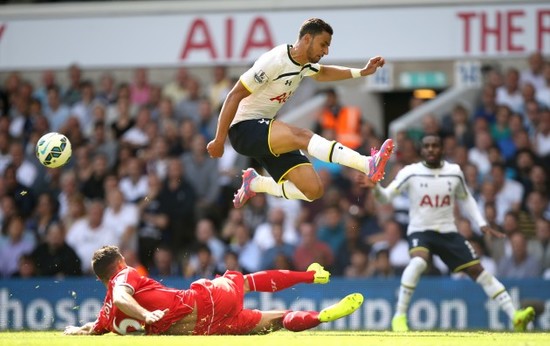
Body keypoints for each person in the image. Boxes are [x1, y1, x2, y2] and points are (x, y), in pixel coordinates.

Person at [206, 18, 393, 209]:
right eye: (323, 44)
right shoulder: (276, 60)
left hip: (263, 132)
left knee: (313, 190)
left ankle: (256, 183)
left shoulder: (304, 65)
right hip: (244, 130)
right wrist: (219, 140)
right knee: (302, 136)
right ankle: (367, 163)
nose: (326, 51)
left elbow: (324, 73)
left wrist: (362, 72)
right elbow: (233, 96)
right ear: (306, 39)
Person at [359, 134, 535, 332]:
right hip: (421, 230)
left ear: (442, 149)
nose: (431, 149)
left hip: (448, 231)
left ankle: (515, 316)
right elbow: (386, 197)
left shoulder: (454, 172)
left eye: (435, 145)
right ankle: (399, 317)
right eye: (427, 146)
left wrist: (481, 222)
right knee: (418, 262)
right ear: (422, 150)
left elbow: (466, 198)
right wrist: (375, 190)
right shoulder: (411, 173)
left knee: (480, 271)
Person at [64, 245, 363, 336]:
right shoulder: (125, 275)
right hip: (205, 301)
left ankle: (320, 317)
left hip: (207, 330)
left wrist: (77, 330)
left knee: (275, 321)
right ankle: (310, 275)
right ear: (119, 264)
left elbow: (97, 325)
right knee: (242, 281)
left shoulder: (106, 317)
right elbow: (121, 296)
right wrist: (146, 313)